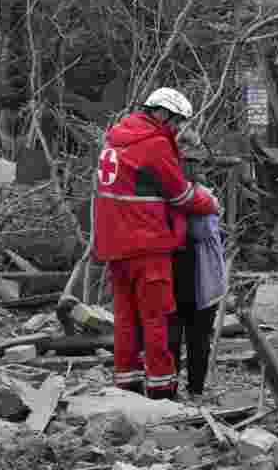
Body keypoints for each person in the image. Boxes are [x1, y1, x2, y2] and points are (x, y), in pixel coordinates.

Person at [92, 87, 219, 400]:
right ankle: (162, 390)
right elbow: (181, 195)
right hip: (146, 244)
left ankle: (127, 385)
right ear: (162, 113)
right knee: (158, 318)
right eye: (177, 121)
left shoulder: (115, 136)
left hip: (114, 245)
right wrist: (211, 203)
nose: (177, 129)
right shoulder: (154, 144)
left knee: (125, 319)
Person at [169, 208, 227, 400]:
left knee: (199, 342)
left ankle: (196, 391)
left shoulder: (204, 210)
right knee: (172, 343)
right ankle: (171, 390)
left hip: (203, 289)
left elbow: (201, 230)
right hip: (175, 289)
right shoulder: (169, 206)